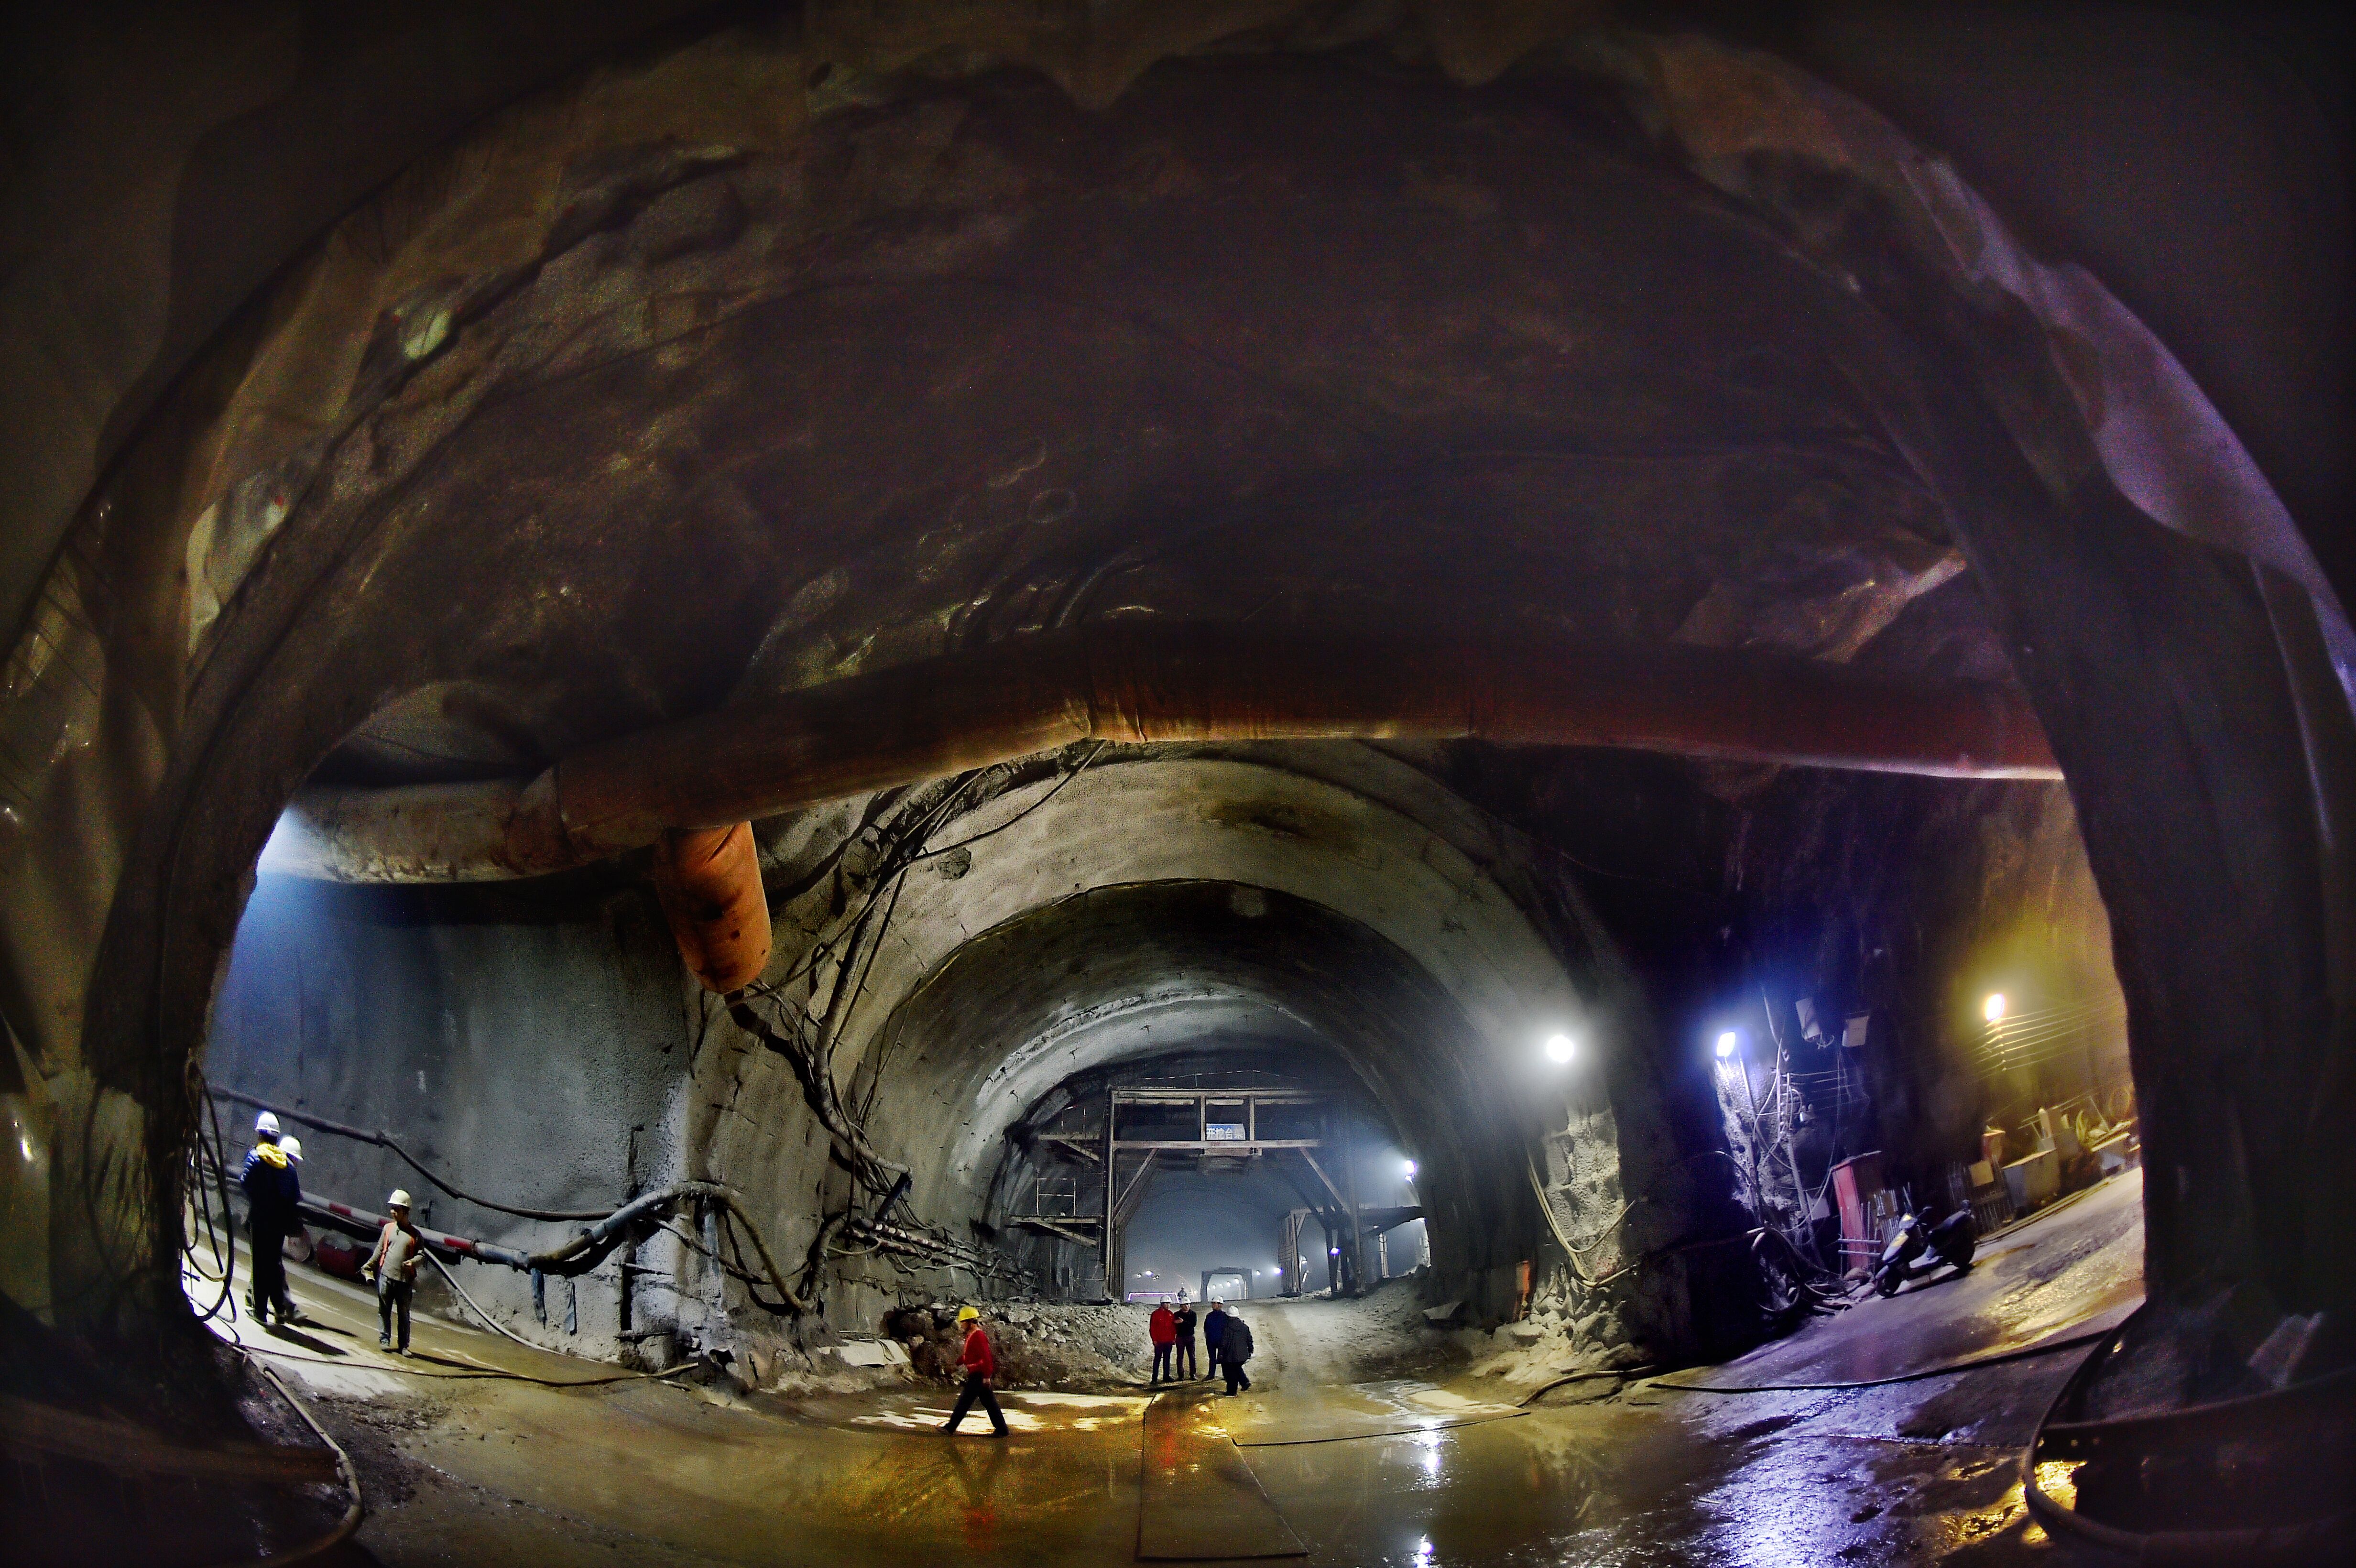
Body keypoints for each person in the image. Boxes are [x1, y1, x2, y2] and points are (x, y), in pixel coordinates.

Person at [240, 1112, 301, 1326]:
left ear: (260, 1134)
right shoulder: (288, 1165)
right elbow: (295, 1196)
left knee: (259, 1264)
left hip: (259, 1218)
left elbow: (245, 1181)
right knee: (274, 1264)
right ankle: (281, 1310)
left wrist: (258, 1201)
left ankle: (259, 1311)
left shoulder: (256, 1156)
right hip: (278, 1224)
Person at [366, 1189, 423, 1354]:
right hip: (386, 1276)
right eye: (392, 1209)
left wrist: (413, 1262)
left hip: (404, 1282)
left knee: (404, 1314)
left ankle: (404, 1346)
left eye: (397, 1209)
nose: (393, 1212)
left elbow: (422, 1255)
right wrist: (370, 1266)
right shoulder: (388, 1229)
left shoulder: (415, 1235)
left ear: (406, 1211)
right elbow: (379, 1249)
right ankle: (385, 1340)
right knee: (384, 1310)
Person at [943, 1305, 1009, 1436]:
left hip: (979, 1375)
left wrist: (986, 1376)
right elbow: (972, 1355)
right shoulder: (972, 1335)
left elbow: (987, 1357)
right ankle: (1002, 1430)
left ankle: (950, 1428)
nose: (961, 1325)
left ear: (969, 1322)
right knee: (989, 1403)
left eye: (963, 1322)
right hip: (978, 1374)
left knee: (965, 1401)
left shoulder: (978, 1336)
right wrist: (960, 1361)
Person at [1221, 1309, 1254, 1395]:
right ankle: (1244, 1383)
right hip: (1243, 1355)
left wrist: (1221, 1354)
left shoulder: (1226, 1328)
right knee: (1237, 1368)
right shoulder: (1245, 1327)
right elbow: (1249, 1340)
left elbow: (1224, 1343)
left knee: (1231, 1372)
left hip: (1231, 1356)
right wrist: (1251, 1350)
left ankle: (1233, 1391)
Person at [1148, 1300, 1177, 1384]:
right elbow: (1153, 1328)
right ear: (1162, 1304)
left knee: (1167, 1359)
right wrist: (1154, 1340)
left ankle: (1166, 1376)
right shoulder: (1156, 1314)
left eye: (1169, 1303)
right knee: (1157, 1359)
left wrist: (1173, 1338)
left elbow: (1173, 1328)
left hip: (1168, 1341)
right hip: (1159, 1341)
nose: (1168, 1305)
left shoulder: (1171, 1314)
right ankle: (1154, 1378)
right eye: (1166, 1303)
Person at [1172, 1298, 1199, 1380]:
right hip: (1180, 1338)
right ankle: (1181, 1375)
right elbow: (1175, 1326)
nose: (1187, 1306)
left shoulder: (1193, 1314)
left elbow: (1193, 1324)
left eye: (1188, 1304)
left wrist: (1183, 1322)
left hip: (1190, 1337)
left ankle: (1193, 1374)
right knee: (1180, 1357)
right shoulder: (1176, 1315)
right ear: (1181, 1306)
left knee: (1192, 1357)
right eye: (1185, 1305)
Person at [1202, 1299, 1228, 1380]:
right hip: (1211, 1341)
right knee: (1212, 1358)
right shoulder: (1209, 1315)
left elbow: (1226, 1329)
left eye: (1215, 1303)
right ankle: (1211, 1375)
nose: (1213, 1305)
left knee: (1223, 1358)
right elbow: (1206, 1327)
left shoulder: (1225, 1316)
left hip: (1221, 1341)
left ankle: (1226, 1375)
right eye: (1213, 1303)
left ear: (1220, 1305)